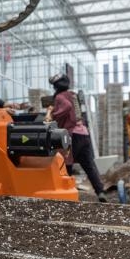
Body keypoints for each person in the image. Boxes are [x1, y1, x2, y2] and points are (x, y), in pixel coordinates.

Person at [46, 73, 107, 202]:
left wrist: (53, 114)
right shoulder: (73, 94)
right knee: (89, 165)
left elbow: (67, 107)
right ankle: (100, 191)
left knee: (65, 163)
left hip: (71, 134)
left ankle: (66, 194)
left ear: (55, 86)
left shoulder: (59, 97)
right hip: (83, 132)